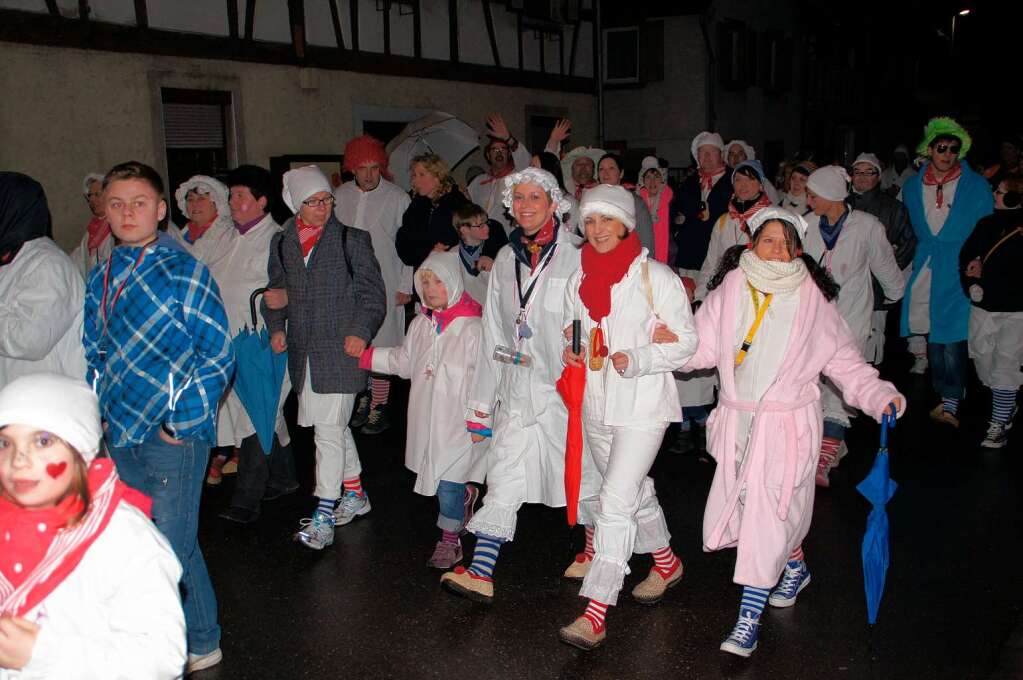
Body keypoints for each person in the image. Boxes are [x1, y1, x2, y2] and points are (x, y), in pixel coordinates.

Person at [679, 207, 905, 658]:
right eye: (769, 240)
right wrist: (666, 345)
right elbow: (699, 349)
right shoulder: (731, 287)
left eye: (787, 243)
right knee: (761, 511)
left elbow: (844, 361)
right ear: (751, 244)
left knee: (768, 517)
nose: (778, 250)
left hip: (786, 427)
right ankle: (796, 567)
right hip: (738, 424)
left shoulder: (811, 299)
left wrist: (878, 394)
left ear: (799, 251)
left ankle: (748, 617)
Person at [84, 161, 234, 673]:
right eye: (118, 203)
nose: (128, 213)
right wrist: (98, 414)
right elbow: (95, 351)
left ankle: (201, 639)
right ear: (105, 208)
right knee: (143, 541)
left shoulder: (183, 268)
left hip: (172, 434)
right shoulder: (102, 274)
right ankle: (160, 632)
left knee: (172, 543)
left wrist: (179, 424)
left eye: (139, 203)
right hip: (120, 432)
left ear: (160, 209)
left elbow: (216, 355)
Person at [439, 168, 599, 603]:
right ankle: (481, 570)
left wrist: (577, 349)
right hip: (517, 386)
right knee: (504, 474)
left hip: (565, 392)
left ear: (553, 204)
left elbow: (590, 318)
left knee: (584, 476)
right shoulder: (507, 259)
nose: (526, 205)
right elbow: (494, 331)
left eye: (536, 197)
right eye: (520, 198)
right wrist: (481, 405)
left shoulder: (577, 257)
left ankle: (591, 548)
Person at [556, 185, 698, 650]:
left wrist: (636, 358)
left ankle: (596, 611)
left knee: (614, 501)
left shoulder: (656, 276)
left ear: (625, 224)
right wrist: (573, 348)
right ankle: (666, 561)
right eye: (590, 221)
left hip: (642, 406)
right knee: (632, 490)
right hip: (596, 404)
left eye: (606, 220)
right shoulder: (581, 277)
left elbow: (685, 343)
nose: (597, 230)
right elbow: (575, 325)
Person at [0, 373, 185, 678]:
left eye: (43, 441)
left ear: (82, 448)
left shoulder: (125, 540)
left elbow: (162, 657)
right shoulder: (8, 522)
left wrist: (42, 654)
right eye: (5, 442)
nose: (18, 459)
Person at [264, 165, 386, 551]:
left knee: (328, 433)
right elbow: (276, 291)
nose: (323, 207)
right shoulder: (283, 243)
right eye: (313, 202)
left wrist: (360, 332)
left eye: (326, 200)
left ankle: (323, 512)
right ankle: (355, 493)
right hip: (305, 353)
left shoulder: (353, 240)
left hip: (341, 351)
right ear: (296, 205)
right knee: (330, 426)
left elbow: (372, 296)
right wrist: (277, 326)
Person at [357, 251, 488, 569]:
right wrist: (367, 356)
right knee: (445, 481)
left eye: (438, 282)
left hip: (460, 424)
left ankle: (449, 540)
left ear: (454, 283)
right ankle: (464, 502)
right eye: (424, 282)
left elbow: (487, 378)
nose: (430, 289)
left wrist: (480, 420)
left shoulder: (473, 329)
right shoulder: (421, 325)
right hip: (428, 419)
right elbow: (404, 362)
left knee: (448, 483)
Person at [803, 166, 905, 485]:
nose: (808, 199)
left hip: (851, 318)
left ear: (832, 195)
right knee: (811, 383)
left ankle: (826, 453)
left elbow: (885, 265)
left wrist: (893, 296)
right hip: (814, 317)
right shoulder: (806, 226)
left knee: (840, 385)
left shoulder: (866, 226)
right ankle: (820, 441)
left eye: (813, 194)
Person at [215, 164, 298, 525]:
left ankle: (246, 500)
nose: (232, 201)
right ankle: (285, 477)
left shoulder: (277, 240)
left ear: (262, 202)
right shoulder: (226, 237)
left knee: (255, 416)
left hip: (265, 343)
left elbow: (295, 290)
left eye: (240, 196)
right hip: (228, 341)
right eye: (231, 195)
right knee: (265, 413)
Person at [900, 117, 993, 427]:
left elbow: (987, 227)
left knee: (951, 335)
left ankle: (950, 398)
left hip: (958, 264)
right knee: (931, 333)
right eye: (942, 147)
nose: (948, 154)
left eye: (954, 149)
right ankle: (947, 391)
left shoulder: (976, 186)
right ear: (930, 149)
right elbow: (909, 226)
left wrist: (978, 260)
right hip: (928, 262)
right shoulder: (912, 186)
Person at [335, 135, 413, 435]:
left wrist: (405, 284)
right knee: (358, 341)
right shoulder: (340, 195)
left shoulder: (397, 197)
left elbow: (406, 247)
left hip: (387, 280)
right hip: (350, 283)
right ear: (351, 169)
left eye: (374, 168)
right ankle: (365, 397)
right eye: (362, 168)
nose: (369, 175)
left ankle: (380, 404)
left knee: (383, 344)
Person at [169, 175, 241, 485]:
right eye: (190, 199)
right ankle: (212, 448)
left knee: (230, 391)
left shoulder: (227, 235)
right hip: (186, 324)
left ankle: (236, 447)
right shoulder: (181, 236)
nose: (195, 205)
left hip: (219, 320)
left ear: (216, 203)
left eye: (202, 199)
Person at [669, 132, 733, 453]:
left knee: (713, 338)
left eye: (712, 153)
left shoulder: (735, 183)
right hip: (689, 267)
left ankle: (710, 417)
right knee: (687, 336)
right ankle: (685, 418)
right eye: (702, 154)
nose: (707, 159)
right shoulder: (689, 186)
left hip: (721, 272)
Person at [0, 172, 86, 388]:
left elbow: (29, 340)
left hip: (46, 407)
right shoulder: (12, 259)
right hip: (17, 402)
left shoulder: (48, 263)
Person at [960, 174, 1023, 448]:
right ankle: (1006, 402)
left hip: (1017, 311)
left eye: (999, 192)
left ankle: (998, 423)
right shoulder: (986, 224)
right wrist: (971, 280)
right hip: (983, 306)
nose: (995, 195)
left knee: (1005, 365)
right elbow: (967, 255)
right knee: (983, 360)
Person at [848, 153, 917, 366]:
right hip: (843, 288)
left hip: (874, 289)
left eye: (869, 173)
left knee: (869, 344)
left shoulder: (893, 208)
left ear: (878, 176)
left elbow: (907, 244)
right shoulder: (840, 204)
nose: (862, 178)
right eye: (857, 172)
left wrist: (886, 274)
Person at [694, 159, 775, 300]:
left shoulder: (773, 219)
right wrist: (700, 297)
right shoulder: (724, 221)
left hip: (759, 297)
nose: (743, 185)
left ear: (761, 185)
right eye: (738, 180)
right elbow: (711, 263)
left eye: (750, 179)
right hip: (726, 295)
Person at [396, 154, 467, 269]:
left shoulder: (456, 202)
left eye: (422, 175)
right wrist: (428, 252)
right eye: (414, 175)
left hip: (451, 270)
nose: (416, 180)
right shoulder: (416, 206)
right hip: (423, 272)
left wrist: (442, 251)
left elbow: (463, 237)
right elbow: (403, 242)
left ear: (437, 175)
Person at [468, 114, 532, 236]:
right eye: (495, 150)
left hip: (507, 238)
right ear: (488, 155)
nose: (499, 153)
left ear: (509, 154)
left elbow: (527, 162)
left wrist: (509, 138)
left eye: (503, 149)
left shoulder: (518, 177)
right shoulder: (478, 181)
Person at [594, 153, 655, 253]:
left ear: (621, 173)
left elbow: (646, 241)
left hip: (629, 260)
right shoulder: (593, 202)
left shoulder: (635, 202)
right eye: (601, 169)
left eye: (611, 168)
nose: (605, 173)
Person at [452, 202, 508, 305]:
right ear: (464, 230)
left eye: (486, 223)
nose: (487, 227)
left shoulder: (495, 250)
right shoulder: (453, 255)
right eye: (481, 226)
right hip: (468, 312)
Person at [70, 172, 114, 278]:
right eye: (90, 196)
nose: (92, 200)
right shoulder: (91, 231)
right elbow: (78, 261)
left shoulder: (117, 226)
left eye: (97, 194)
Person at [638, 156, 675, 265]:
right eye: (648, 177)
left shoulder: (671, 200)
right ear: (642, 180)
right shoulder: (637, 201)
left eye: (656, 177)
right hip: (642, 251)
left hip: (667, 253)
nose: (652, 181)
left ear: (662, 179)